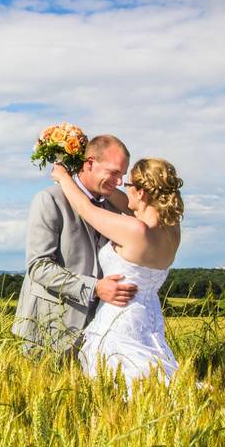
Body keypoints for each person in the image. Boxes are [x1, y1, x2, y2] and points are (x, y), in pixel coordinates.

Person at [49, 157, 184, 395]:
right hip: (150, 320)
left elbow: (85, 209)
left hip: (120, 320)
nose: (123, 187)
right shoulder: (171, 228)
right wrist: (104, 181)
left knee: (124, 387)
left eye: (129, 184)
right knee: (152, 383)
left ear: (141, 192)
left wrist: (63, 175)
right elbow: (126, 204)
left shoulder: (136, 230)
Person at [12, 135, 139, 360]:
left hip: (97, 333)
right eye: (113, 172)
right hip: (47, 330)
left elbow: (143, 216)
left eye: (122, 175)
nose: (119, 182)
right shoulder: (49, 200)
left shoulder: (113, 205)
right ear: (89, 163)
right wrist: (94, 288)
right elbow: (38, 266)